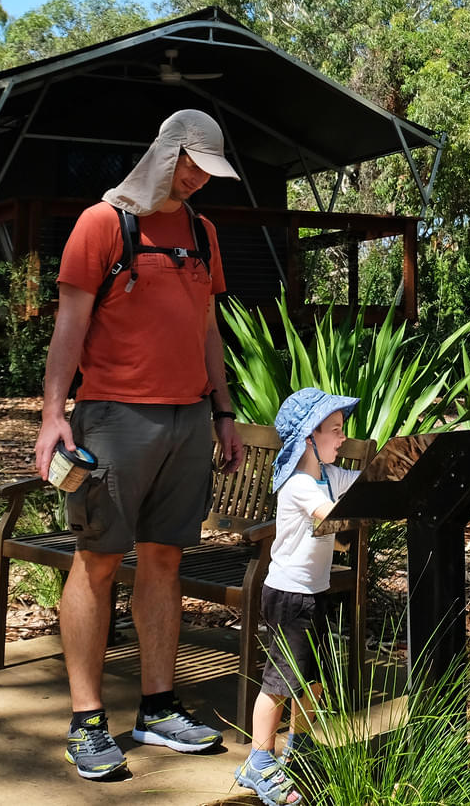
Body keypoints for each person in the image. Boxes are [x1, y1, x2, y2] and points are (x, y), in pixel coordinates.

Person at [33, 108, 248, 781]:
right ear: (167, 153)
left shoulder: (202, 232)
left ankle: (158, 707)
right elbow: (70, 323)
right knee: (97, 559)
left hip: (189, 420)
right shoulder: (104, 223)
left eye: (209, 172)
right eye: (192, 166)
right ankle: (87, 719)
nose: (199, 180)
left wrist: (224, 409)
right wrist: (52, 413)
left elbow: (207, 328)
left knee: (163, 560)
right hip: (114, 417)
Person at [233, 387, 362, 806]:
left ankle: (299, 749)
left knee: (315, 682)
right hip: (289, 597)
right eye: (335, 430)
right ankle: (258, 760)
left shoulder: (328, 475)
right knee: (279, 684)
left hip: (316, 593)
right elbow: (333, 515)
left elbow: (364, 485)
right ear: (309, 437)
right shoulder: (299, 485)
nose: (343, 438)